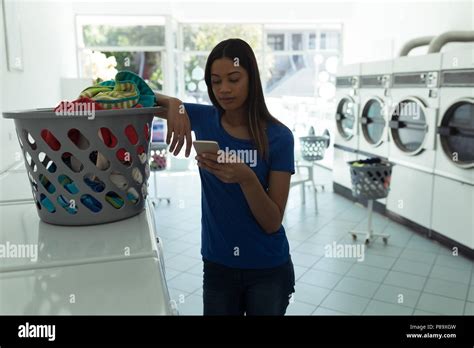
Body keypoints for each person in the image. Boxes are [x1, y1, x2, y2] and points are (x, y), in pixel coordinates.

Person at [154, 38, 295, 315]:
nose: (224, 89)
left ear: (251, 79)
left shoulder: (279, 137)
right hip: (218, 265)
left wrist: (246, 178)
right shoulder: (205, 119)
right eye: (216, 81)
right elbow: (138, 97)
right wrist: (174, 103)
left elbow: (271, 221)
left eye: (233, 79)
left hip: (267, 269)